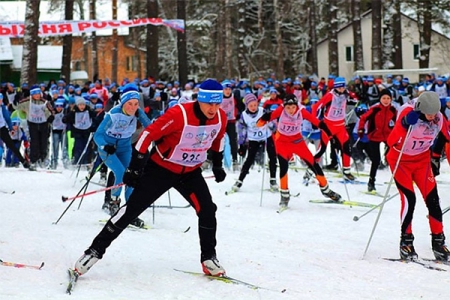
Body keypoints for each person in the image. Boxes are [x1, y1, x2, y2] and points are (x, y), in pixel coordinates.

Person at [73, 79, 228, 278]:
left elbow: (218, 138)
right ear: (200, 100)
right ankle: (93, 251)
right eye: (210, 103)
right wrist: (135, 169)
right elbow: (147, 136)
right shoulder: (179, 114)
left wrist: (217, 164)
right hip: (161, 169)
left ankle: (208, 258)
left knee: (207, 209)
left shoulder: (220, 117)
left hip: (190, 172)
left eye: (218, 104)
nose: (213, 109)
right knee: (130, 211)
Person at [387, 91, 450, 261]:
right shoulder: (406, 111)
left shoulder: (439, 117)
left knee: (433, 200)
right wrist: (404, 125)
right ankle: (406, 242)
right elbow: (391, 141)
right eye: (428, 114)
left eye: (434, 113)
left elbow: (448, 137)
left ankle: (438, 242)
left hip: (422, 162)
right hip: (401, 161)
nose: (431, 117)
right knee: (409, 199)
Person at [257, 94, 341, 209]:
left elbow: (317, 122)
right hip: (282, 141)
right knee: (283, 166)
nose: (291, 110)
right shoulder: (280, 110)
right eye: (288, 108)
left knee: (313, 163)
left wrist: (329, 133)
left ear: (296, 105)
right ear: (284, 106)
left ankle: (325, 190)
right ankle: (284, 195)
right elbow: (263, 121)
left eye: (293, 107)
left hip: (297, 141)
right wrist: (263, 119)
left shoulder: (302, 111)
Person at [93, 84, 151, 224]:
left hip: (125, 147)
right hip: (108, 148)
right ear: (123, 102)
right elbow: (98, 135)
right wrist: (105, 145)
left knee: (131, 174)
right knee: (120, 172)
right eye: (129, 104)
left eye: (136, 104)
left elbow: (150, 127)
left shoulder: (137, 112)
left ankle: (130, 211)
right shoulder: (113, 114)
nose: (133, 107)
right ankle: (113, 203)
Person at [312, 77, 357, 181]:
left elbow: (354, 99)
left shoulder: (346, 93)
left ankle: (346, 171)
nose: (341, 89)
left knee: (346, 148)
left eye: (343, 87)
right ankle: (311, 169)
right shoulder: (330, 95)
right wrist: (315, 121)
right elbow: (316, 107)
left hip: (340, 126)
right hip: (328, 126)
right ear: (335, 87)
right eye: (339, 88)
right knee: (322, 149)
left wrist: (357, 104)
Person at [231, 93, 278, 192]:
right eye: (251, 105)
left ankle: (273, 179)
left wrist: (271, 125)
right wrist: (242, 144)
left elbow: (273, 122)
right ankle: (240, 180)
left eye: (255, 105)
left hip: (266, 136)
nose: (253, 107)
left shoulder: (263, 111)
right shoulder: (244, 116)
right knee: (249, 159)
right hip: (253, 139)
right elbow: (241, 131)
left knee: (273, 157)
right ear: (247, 106)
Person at [357, 89, 397, 192]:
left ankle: (399, 179)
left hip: (388, 136)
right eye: (384, 98)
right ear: (380, 99)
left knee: (394, 157)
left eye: (388, 98)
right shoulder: (374, 109)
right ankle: (371, 182)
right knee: (376, 160)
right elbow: (363, 118)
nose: (386, 100)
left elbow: (399, 122)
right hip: (374, 136)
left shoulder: (393, 110)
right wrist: (361, 129)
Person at [16, 85, 54, 170]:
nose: (37, 95)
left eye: (38, 94)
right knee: (34, 142)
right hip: (32, 123)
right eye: (35, 94)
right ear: (31, 94)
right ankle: (33, 160)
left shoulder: (44, 101)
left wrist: (51, 117)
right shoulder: (27, 101)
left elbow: (51, 110)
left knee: (43, 142)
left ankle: (43, 159)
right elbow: (18, 106)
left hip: (43, 124)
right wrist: (18, 98)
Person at [0, 94, 29, 168]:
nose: (0, 101)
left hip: (2, 128)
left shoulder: (2, 107)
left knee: (12, 146)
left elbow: (7, 119)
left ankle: (23, 161)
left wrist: (11, 128)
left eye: (1, 100)